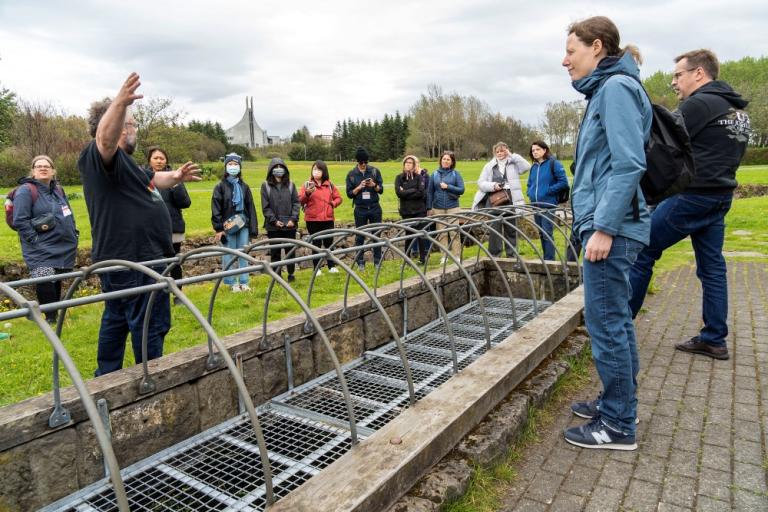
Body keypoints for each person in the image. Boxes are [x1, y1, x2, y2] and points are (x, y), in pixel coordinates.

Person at [561, 17, 652, 450]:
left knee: (606, 323)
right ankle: (618, 403)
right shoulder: (609, 88)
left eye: (571, 51)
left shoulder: (615, 89)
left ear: (597, 47)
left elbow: (628, 163)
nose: (565, 60)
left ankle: (618, 424)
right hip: (615, 226)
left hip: (612, 230)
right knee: (616, 319)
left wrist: (603, 228)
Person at [629, 49, 750, 360]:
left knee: (643, 250)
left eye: (678, 75)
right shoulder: (737, 111)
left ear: (699, 73)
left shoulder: (699, 104)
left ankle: (619, 328)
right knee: (712, 269)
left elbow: (661, 145)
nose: (674, 82)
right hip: (720, 197)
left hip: (691, 197)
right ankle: (714, 339)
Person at [78, 72, 201, 376]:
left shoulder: (127, 164)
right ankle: (149, 379)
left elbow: (152, 179)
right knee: (148, 325)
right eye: (130, 124)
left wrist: (175, 177)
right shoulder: (99, 157)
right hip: (134, 262)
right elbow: (105, 139)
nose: (133, 130)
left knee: (117, 319)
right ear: (117, 126)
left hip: (138, 260)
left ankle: (107, 380)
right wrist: (119, 104)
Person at [11, 155, 78, 324]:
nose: (43, 168)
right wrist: (35, 241)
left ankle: (54, 316)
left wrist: (74, 232)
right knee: (45, 278)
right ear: (33, 171)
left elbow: (69, 213)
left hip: (62, 245)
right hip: (39, 247)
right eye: (39, 166)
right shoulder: (26, 191)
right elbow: (20, 220)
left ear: (53, 171)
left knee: (55, 277)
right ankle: (50, 318)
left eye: (47, 166)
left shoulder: (58, 190)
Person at [471, 142, 530, 258]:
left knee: (511, 229)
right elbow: (481, 183)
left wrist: (512, 155)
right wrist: (493, 185)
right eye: (497, 151)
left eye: (502, 151)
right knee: (494, 230)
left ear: (507, 150)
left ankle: (512, 255)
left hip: (511, 199)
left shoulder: (513, 163)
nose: (500, 153)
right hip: (494, 201)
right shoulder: (489, 166)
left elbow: (527, 166)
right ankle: (495, 256)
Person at [147, 146, 191, 299]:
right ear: (149, 161)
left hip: (173, 227)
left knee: (174, 262)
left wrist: (176, 185)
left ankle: (178, 295)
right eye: (155, 158)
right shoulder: (145, 179)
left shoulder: (175, 178)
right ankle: (159, 295)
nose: (159, 161)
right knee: (157, 264)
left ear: (166, 161)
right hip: (152, 229)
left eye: (162, 158)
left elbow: (185, 202)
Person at [211, 153, 258, 292]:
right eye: (230, 164)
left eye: (235, 164)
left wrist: (252, 228)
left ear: (240, 167)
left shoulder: (245, 187)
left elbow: (251, 207)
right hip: (227, 226)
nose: (233, 167)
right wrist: (219, 228)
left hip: (243, 223)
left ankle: (244, 281)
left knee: (243, 252)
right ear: (226, 167)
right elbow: (216, 208)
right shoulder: (220, 187)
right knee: (229, 254)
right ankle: (231, 283)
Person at [526, 140, 569, 260]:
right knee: (541, 233)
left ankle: (550, 261)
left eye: (537, 149)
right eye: (533, 150)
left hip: (548, 204)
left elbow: (564, 182)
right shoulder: (534, 167)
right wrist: (529, 192)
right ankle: (546, 259)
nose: (535, 152)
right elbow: (530, 183)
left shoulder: (554, 164)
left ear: (545, 150)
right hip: (535, 205)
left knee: (546, 233)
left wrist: (548, 191)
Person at [299, 160, 342, 275]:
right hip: (312, 219)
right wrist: (307, 193)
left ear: (324, 171)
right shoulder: (306, 185)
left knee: (329, 242)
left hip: (328, 218)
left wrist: (333, 203)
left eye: (318, 169)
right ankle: (317, 268)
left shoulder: (330, 185)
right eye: (314, 169)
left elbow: (339, 198)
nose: (316, 172)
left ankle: (331, 266)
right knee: (316, 243)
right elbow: (300, 200)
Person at [262, 158, 300, 282]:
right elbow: (265, 206)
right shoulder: (266, 186)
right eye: (276, 167)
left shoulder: (291, 185)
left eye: (281, 167)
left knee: (290, 251)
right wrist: (273, 220)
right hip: (273, 226)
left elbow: (296, 203)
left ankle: (291, 274)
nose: (279, 169)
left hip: (290, 225)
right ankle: (277, 276)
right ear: (271, 170)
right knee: (275, 252)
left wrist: (293, 219)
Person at [345, 147, 383, 271]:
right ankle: (360, 261)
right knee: (360, 236)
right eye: (361, 163)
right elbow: (349, 194)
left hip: (374, 207)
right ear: (357, 162)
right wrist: (359, 187)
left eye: (365, 162)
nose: (363, 165)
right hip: (360, 208)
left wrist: (374, 185)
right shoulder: (351, 174)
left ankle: (377, 261)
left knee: (376, 234)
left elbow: (381, 190)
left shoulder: (374, 171)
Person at [428, 151, 466, 261]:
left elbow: (462, 189)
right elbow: (429, 192)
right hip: (438, 207)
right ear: (440, 160)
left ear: (452, 162)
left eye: (448, 159)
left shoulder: (456, 174)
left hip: (452, 206)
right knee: (441, 233)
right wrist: (429, 208)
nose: (445, 161)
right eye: (444, 159)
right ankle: (444, 256)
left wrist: (448, 186)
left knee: (454, 231)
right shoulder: (434, 174)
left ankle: (457, 256)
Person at [395, 155, 428, 263]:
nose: (408, 164)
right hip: (406, 211)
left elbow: (421, 193)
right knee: (408, 234)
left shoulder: (419, 177)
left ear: (414, 165)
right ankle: (407, 258)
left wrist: (405, 191)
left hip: (419, 210)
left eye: (410, 163)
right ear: (404, 164)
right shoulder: (399, 178)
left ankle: (423, 258)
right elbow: (399, 193)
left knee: (420, 234)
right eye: (406, 162)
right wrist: (413, 190)